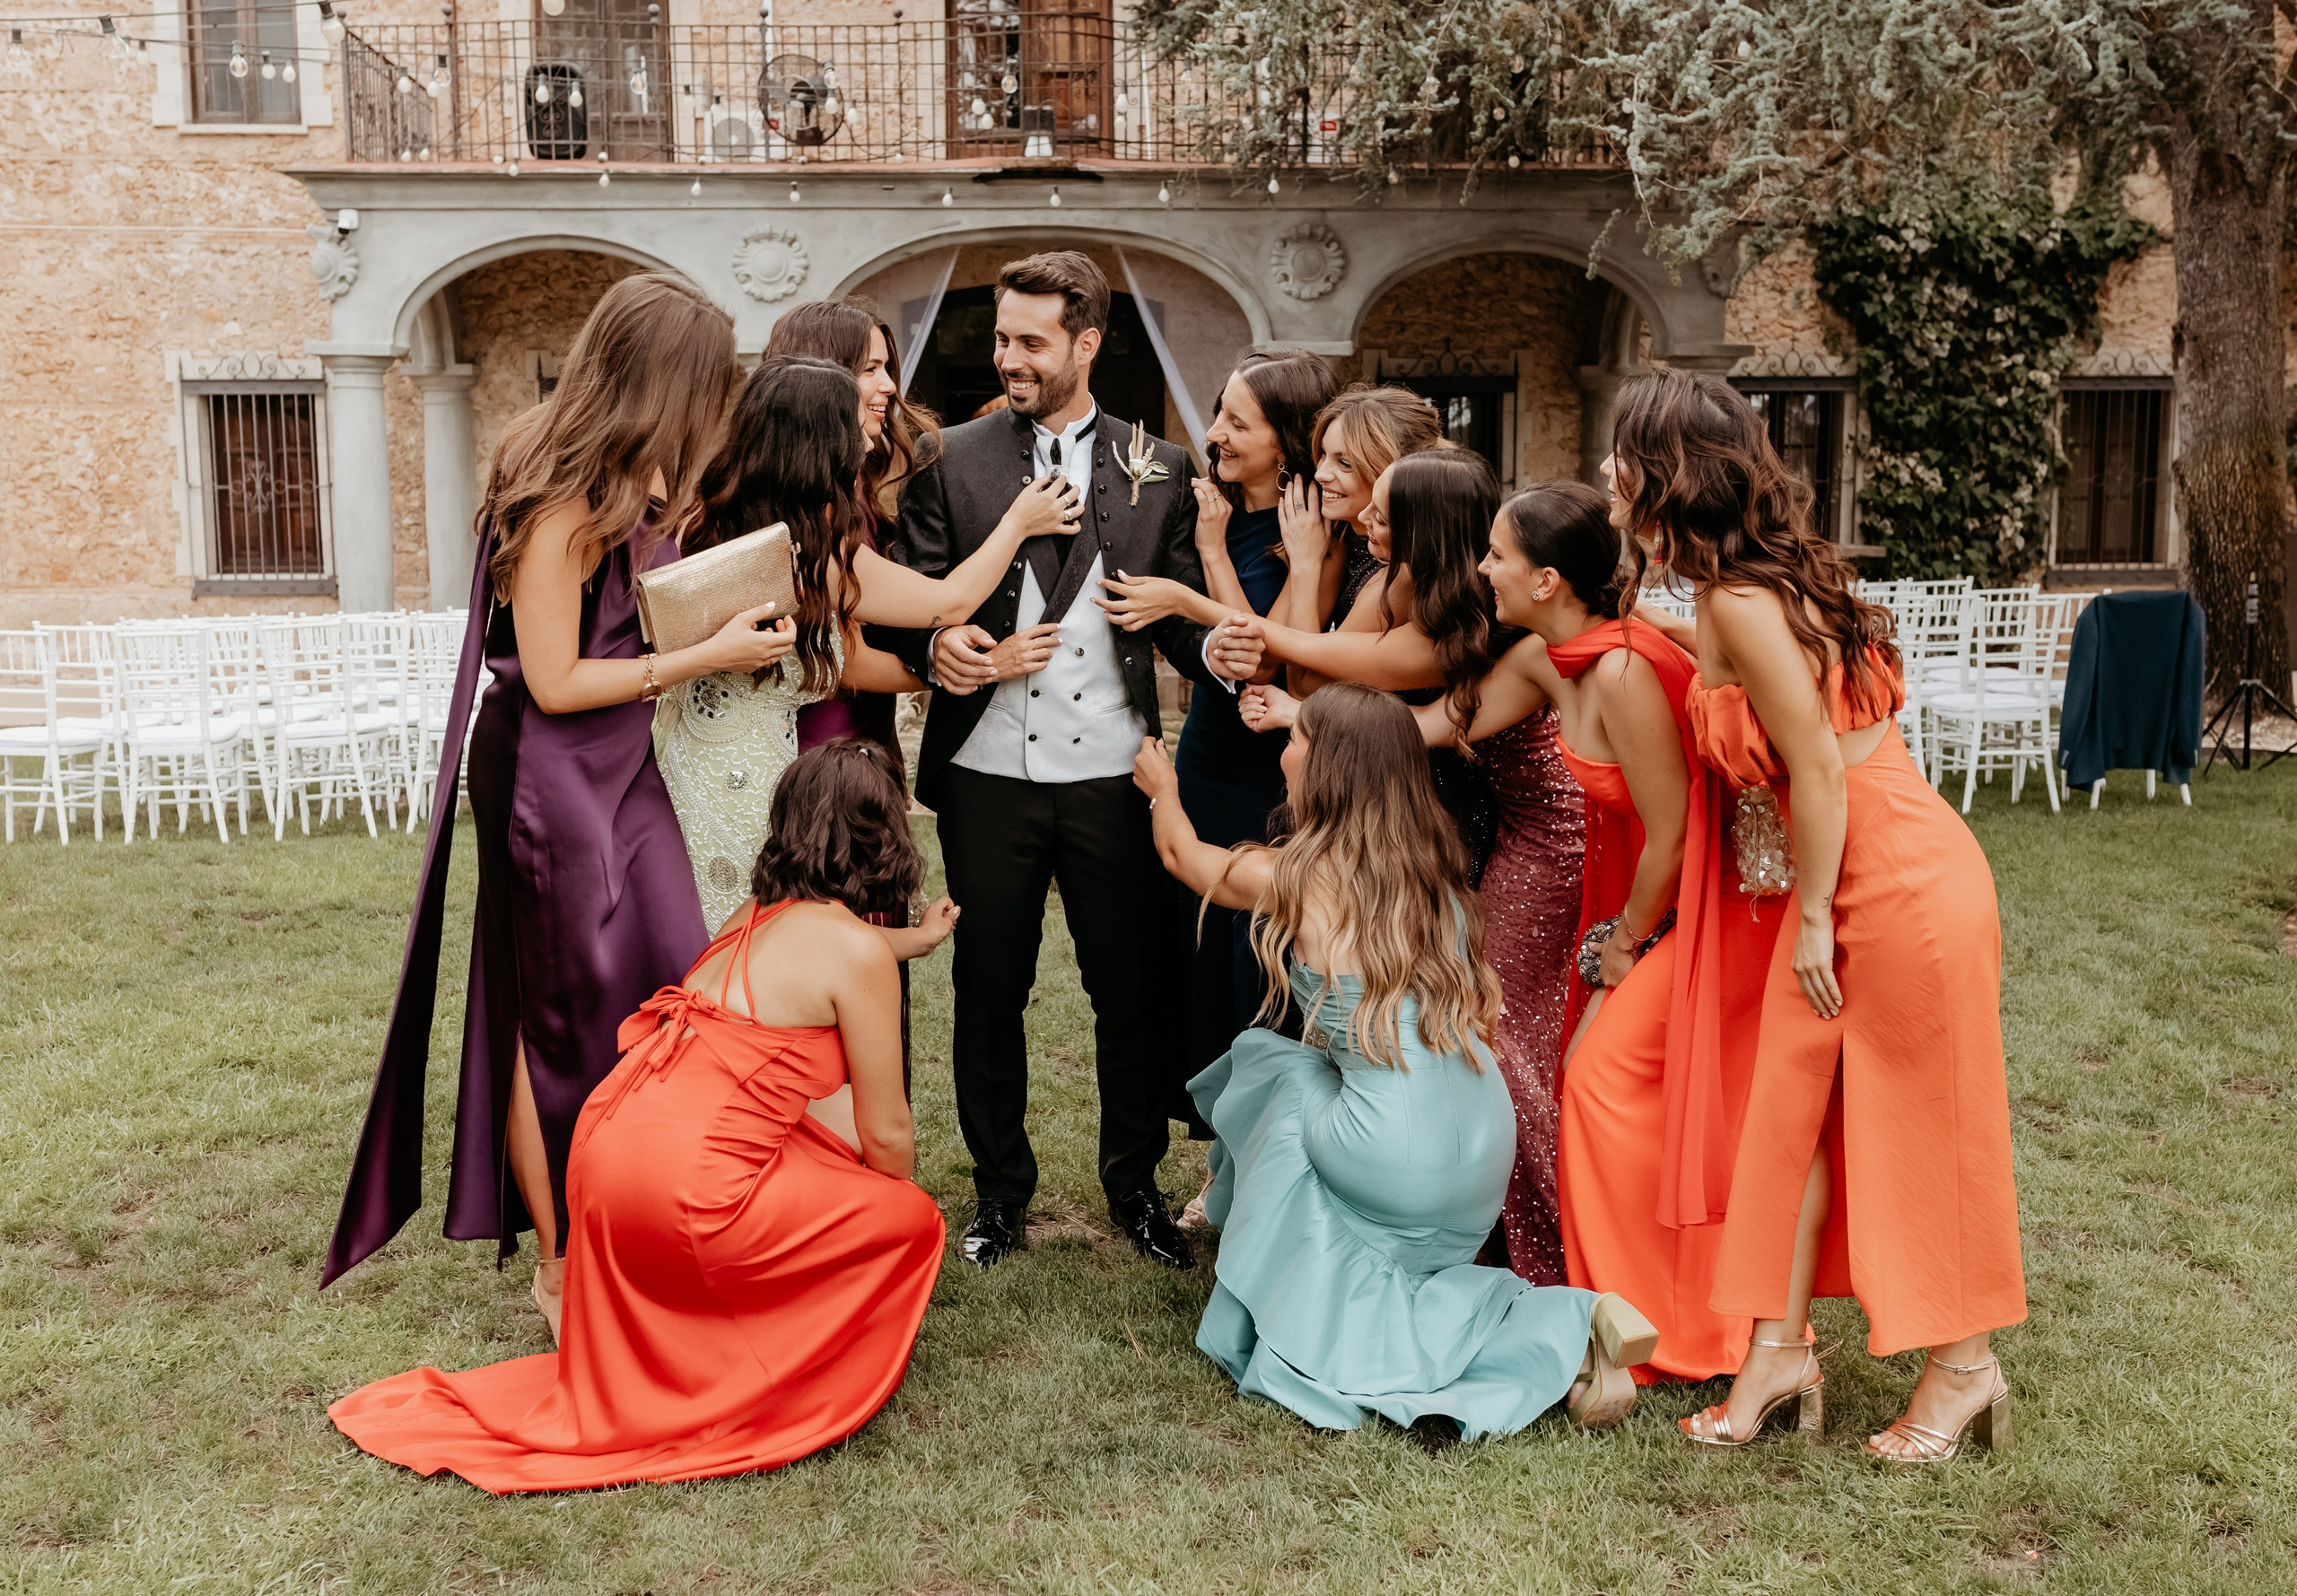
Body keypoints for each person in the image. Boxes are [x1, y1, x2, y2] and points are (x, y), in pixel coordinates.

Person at [323, 274, 795, 1340]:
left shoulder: (640, 476)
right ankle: (562, 1261)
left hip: (625, 763)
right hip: (552, 776)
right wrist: (705, 656)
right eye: (704, 387)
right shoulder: (558, 494)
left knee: (674, 976)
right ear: (659, 382)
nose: (712, 409)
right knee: (562, 1016)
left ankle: (660, 1222)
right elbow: (551, 678)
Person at [329, 740, 952, 1493]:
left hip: (600, 1166)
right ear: (884, 836)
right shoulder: (856, 956)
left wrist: (905, 943)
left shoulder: (748, 917)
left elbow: (819, 960)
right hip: (684, 1193)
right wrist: (882, 1190)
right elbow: (887, 1136)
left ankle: (705, 1338)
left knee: (807, 1157)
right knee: (907, 1218)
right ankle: (757, 1378)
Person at [1611, 369, 2026, 1459]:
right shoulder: (1731, 590)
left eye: (1623, 458)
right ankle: (1777, 1350)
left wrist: (1804, 924)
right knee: (1786, 1130)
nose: (1611, 474)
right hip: (1845, 874)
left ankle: (1966, 1371)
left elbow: (1818, 773)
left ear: (1666, 474)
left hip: (1889, 887)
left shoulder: (1744, 602)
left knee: (1921, 1126)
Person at [1131, 684, 1656, 1435]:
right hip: (1480, 1147)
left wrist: (1162, 788)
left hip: (1396, 1157)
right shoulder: (1438, 873)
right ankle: (1576, 1329)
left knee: (1266, 1067)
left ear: (1330, 766)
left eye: (1297, 739)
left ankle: (1547, 1318)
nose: (1285, 752)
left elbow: (1185, 856)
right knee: (1390, 1232)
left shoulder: (1304, 877)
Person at [881, 249, 1265, 1271]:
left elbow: (1178, 619)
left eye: (1031, 342)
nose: (1009, 356)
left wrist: (1217, 654)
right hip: (987, 780)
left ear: (1087, 344)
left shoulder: (1162, 464)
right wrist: (936, 649)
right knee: (988, 987)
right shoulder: (951, 460)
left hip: (1112, 775)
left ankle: (1132, 1187)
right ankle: (1001, 1193)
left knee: (1128, 991)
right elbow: (913, 598)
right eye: (1003, 338)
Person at [1462, 482, 1778, 1383]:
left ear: (1549, 578)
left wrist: (1623, 943)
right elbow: (1456, 719)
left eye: (1497, 555)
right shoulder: (1570, 657)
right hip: (1643, 902)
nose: (1484, 568)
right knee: (1599, 1091)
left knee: (1594, 1085)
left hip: (1700, 910)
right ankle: (1622, 1305)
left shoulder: (1626, 671)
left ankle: (1662, 1324)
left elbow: (1674, 831)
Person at [1240, 451, 1581, 1283]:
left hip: (1545, 841)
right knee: (1495, 1031)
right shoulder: (1443, 603)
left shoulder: (1525, 642)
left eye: (1499, 554)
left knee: (1503, 1036)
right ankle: (1497, 1221)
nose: (1486, 565)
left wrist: (1301, 712)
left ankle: (1543, 1242)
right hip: (1499, 829)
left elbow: (1423, 720)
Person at [655, 354, 1077, 930]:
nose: (865, 436)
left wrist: (953, 666)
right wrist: (1019, 523)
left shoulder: (708, 518)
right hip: (747, 768)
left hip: (692, 751)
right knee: (756, 925)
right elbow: (948, 601)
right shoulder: (813, 549)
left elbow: (833, 663)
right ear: (818, 442)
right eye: (852, 424)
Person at [1099, 352, 1341, 1105]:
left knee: (1259, 946)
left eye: (1239, 421)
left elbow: (1272, 659)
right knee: (1202, 936)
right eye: (1220, 413)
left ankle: (1267, 1122)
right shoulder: (1208, 507)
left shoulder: (1315, 529)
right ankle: (1218, 1138)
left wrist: (1194, 578)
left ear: (1288, 436)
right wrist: (1204, 540)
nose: (1216, 433)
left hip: (1276, 760)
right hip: (1209, 744)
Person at [762, 297, 942, 765]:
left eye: (887, 367)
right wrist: (958, 667)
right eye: (869, 369)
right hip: (819, 745)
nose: (888, 385)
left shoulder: (857, 481)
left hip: (866, 732)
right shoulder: (805, 498)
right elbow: (846, 660)